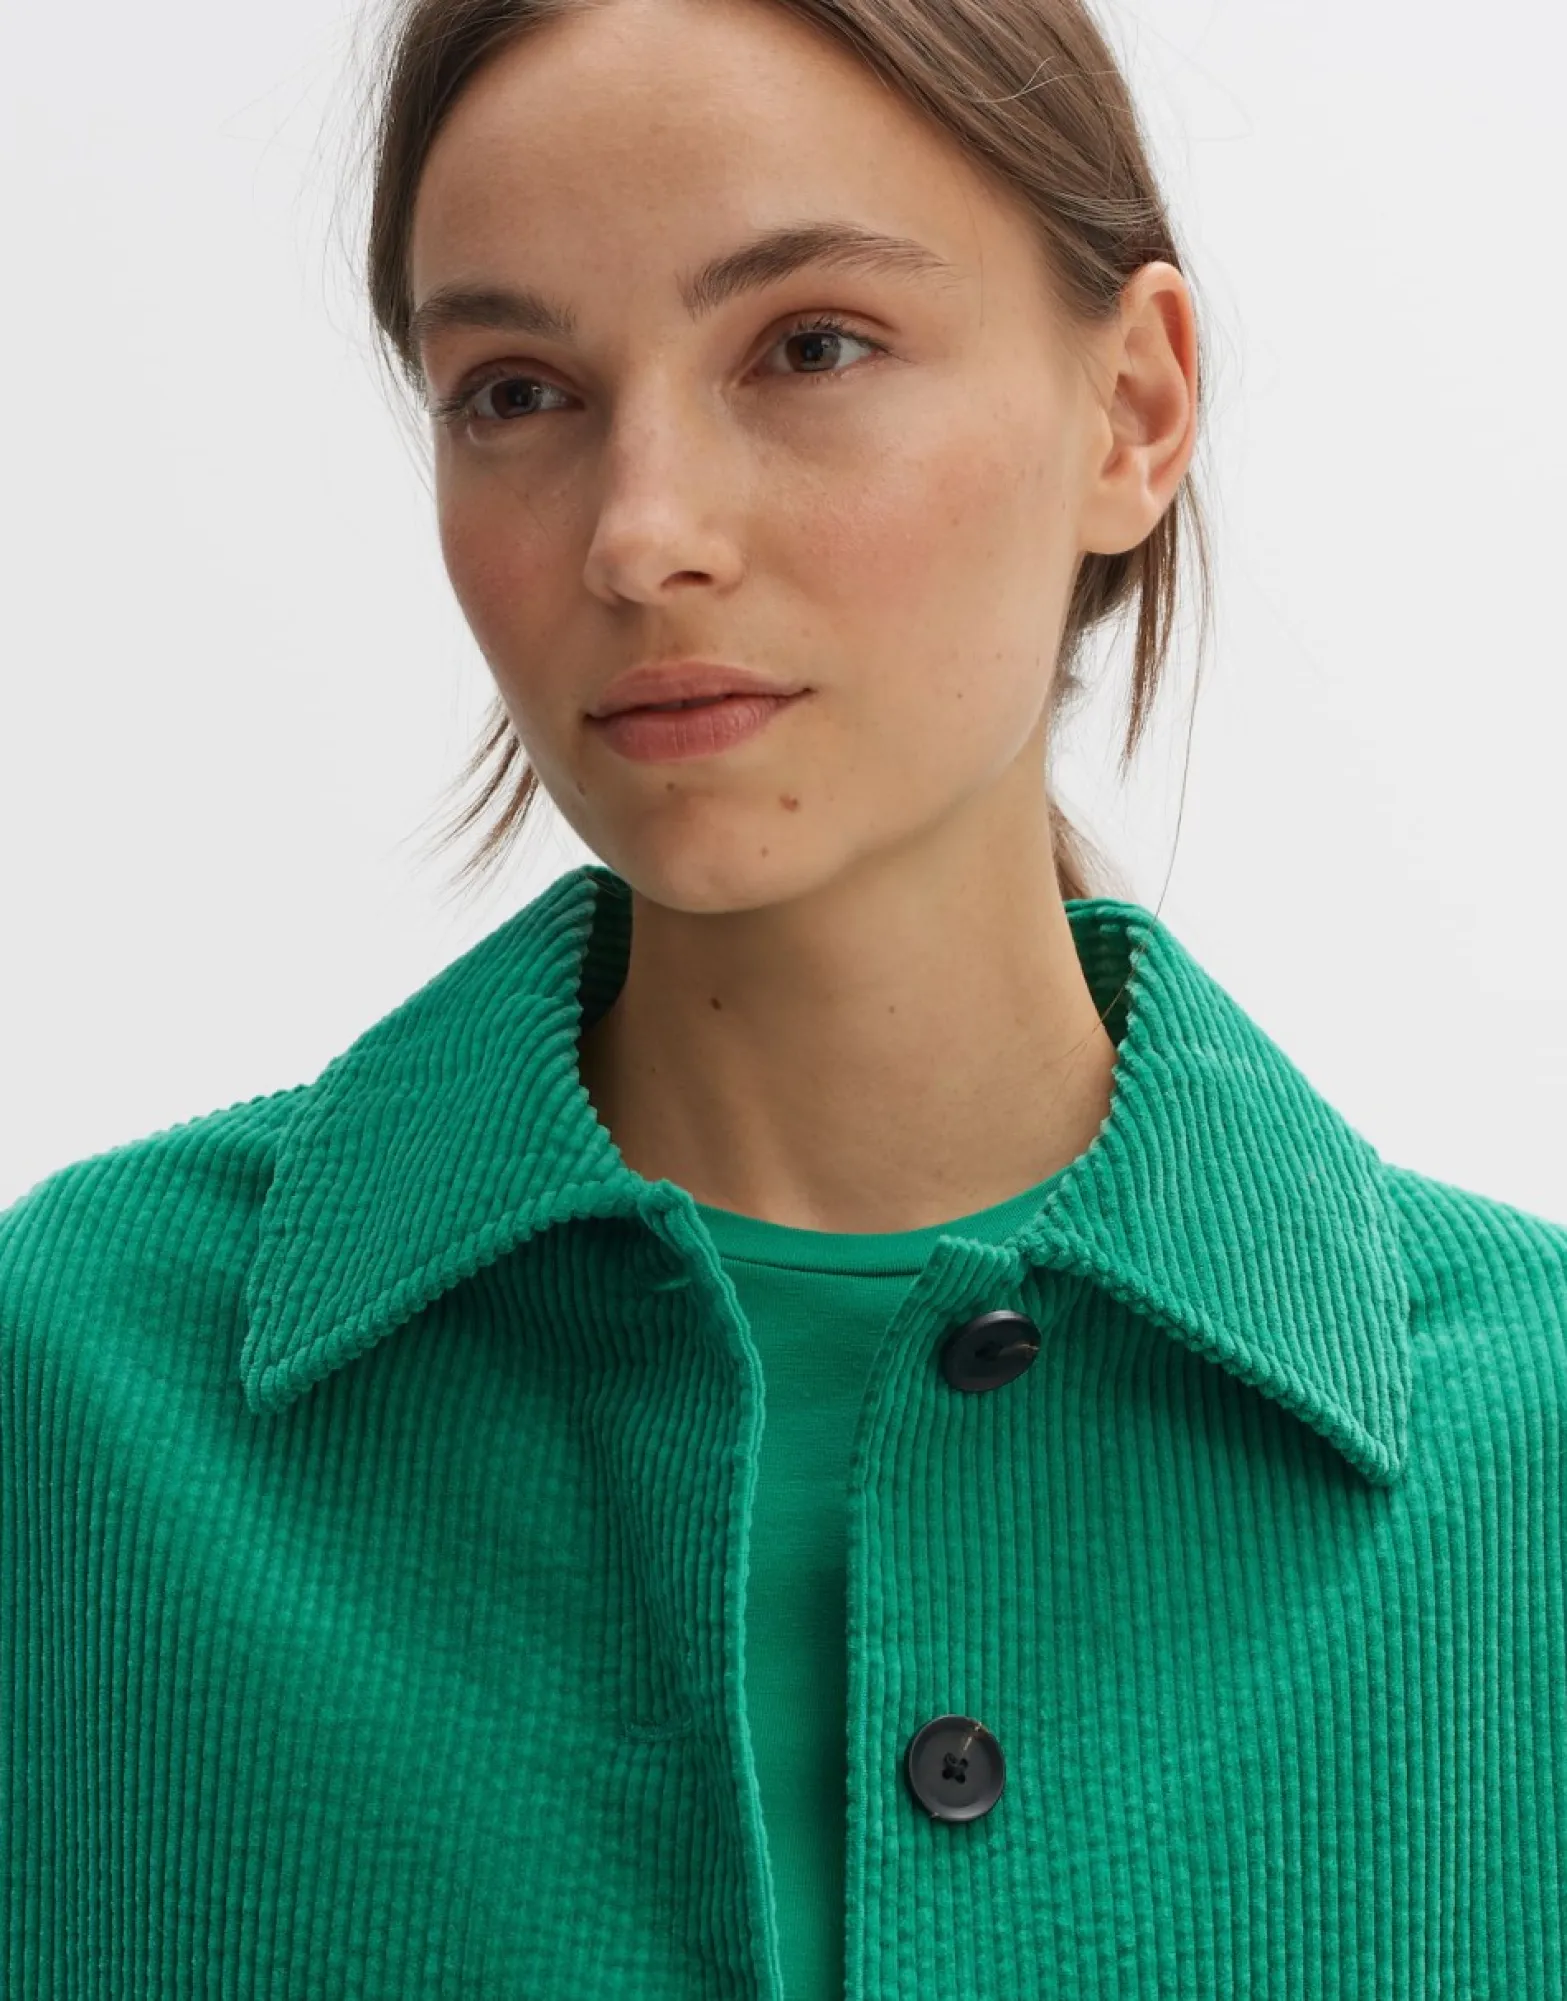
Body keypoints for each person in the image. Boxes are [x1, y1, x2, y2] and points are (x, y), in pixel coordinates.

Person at [3, 0, 1563, 1994]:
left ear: (1133, 411)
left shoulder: (1530, 1465)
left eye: (811, 347)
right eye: (514, 392)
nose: (642, 534)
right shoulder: (76, 1397)